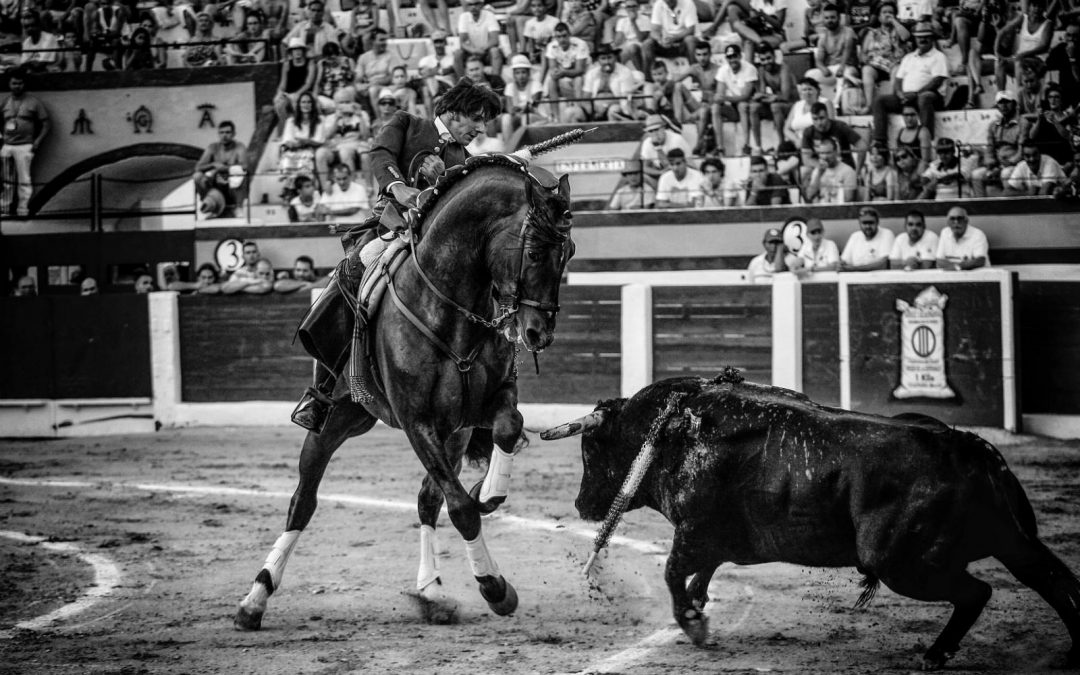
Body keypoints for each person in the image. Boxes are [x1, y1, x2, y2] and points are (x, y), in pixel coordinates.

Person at [292, 79, 503, 431]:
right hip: (388, 230)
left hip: (432, 246)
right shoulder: (407, 123)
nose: (481, 129)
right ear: (452, 111)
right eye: (476, 119)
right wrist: (400, 187)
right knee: (352, 275)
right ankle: (323, 391)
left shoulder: (465, 161)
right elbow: (379, 154)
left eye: (485, 123)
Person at [870, 21, 948, 149]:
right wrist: (900, 95)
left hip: (931, 97)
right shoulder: (908, 57)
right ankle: (880, 140)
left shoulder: (939, 56)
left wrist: (916, 94)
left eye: (926, 37)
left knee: (925, 97)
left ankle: (927, 140)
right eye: (919, 37)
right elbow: (899, 80)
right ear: (915, 39)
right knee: (880, 100)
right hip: (907, 97)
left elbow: (937, 81)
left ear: (932, 38)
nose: (922, 40)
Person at [1, 69, 51, 218]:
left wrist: (37, 142)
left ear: (24, 84)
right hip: (7, 145)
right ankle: (4, 209)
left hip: (25, 145)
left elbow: (46, 123)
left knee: (24, 179)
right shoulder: (5, 102)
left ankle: (23, 210)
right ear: (9, 84)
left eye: (20, 83)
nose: (17, 86)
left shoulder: (34, 102)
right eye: (14, 83)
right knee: (6, 180)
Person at [854, 1, 909, 115]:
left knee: (897, 71)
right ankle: (869, 105)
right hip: (876, 65)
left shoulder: (899, 29)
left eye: (891, 12)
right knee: (867, 70)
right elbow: (863, 53)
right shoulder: (871, 32)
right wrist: (865, 59)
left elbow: (906, 37)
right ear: (879, 17)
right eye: (884, 12)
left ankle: (893, 104)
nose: (887, 15)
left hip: (895, 64)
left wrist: (894, 21)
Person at [971, 89, 1023, 197]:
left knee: (1006, 173)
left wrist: (1007, 164)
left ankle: (1010, 206)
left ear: (1014, 104)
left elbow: (1021, 151)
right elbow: (990, 149)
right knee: (976, 175)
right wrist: (991, 164)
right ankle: (982, 207)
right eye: (1000, 103)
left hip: (1016, 165)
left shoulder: (1022, 123)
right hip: (998, 165)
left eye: (1007, 102)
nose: (1004, 106)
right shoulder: (994, 125)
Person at [194, 120, 248, 219]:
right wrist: (214, 165)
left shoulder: (239, 147)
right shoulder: (212, 147)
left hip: (232, 182)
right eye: (221, 132)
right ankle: (212, 204)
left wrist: (225, 169)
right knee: (197, 176)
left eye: (228, 132)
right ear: (218, 134)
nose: (224, 135)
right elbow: (198, 167)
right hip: (216, 183)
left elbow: (244, 166)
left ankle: (238, 207)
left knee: (241, 175)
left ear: (233, 134)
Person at [750, 42, 795, 154]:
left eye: (769, 58)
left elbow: (785, 96)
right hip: (778, 104)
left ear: (775, 56)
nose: (766, 62)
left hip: (792, 104)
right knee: (753, 107)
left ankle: (781, 144)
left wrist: (767, 97)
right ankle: (758, 146)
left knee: (775, 106)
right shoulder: (762, 70)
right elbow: (761, 94)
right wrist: (766, 97)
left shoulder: (784, 68)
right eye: (763, 59)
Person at [713, 44, 758, 155]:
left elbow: (746, 95)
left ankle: (746, 145)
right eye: (729, 57)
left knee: (742, 105)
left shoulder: (749, 68)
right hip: (733, 105)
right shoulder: (723, 70)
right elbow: (719, 94)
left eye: (734, 56)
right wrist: (721, 98)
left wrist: (725, 97)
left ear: (740, 56)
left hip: (747, 105)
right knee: (715, 108)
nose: (732, 60)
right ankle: (720, 147)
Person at [800, 102, 865, 170]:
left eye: (822, 118)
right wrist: (819, 165)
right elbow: (806, 159)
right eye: (815, 119)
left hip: (843, 167)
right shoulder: (809, 132)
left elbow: (862, 146)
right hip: (822, 168)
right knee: (804, 171)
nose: (819, 123)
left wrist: (858, 171)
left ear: (827, 116)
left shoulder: (840, 127)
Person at [642, 0, 698, 80]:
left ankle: (696, 79)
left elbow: (690, 30)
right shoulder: (659, 4)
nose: (668, 1)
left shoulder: (688, 3)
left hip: (682, 42)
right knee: (647, 44)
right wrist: (660, 40)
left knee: (691, 40)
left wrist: (674, 38)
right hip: (665, 42)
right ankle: (649, 81)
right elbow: (654, 30)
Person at [542, 22, 590, 113]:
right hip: (566, 73)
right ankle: (555, 116)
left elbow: (580, 70)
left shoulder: (580, 44)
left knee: (578, 79)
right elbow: (553, 68)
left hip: (584, 74)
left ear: (569, 35)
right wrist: (557, 72)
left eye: (564, 36)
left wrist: (563, 72)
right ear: (555, 37)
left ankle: (579, 111)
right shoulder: (551, 46)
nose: (562, 39)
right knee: (551, 80)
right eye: (559, 37)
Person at [582, 45, 640, 121]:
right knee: (571, 112)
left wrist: (605, 106)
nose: (607, 62)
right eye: (603, 58)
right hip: (595, 109)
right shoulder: (591, 73)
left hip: (617, 107)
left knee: (614, 110)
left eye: (609, 57)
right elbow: (586, 97)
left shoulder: (625, 72)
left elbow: (625, 99)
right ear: (598, 60)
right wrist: (592, 112)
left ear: (615, 58)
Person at [274, 37, 317, 136]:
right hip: (289, 93)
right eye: (294, 49)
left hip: (305, 93)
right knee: (280, 104)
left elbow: (308, 83)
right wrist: (279, 93)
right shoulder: (287, 64)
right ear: (291, 52)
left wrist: (297, 94)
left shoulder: (310, 63)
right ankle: (282, 135)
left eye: (299, 49)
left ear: (303, 51)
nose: (297, 52)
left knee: (298, 104)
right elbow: (283, 84)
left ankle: (301, 133)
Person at [454, 0, 504, 79]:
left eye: (476, 4)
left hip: (486, 52)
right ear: (467, 6)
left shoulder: (489, 15)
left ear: (481, 4)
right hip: (471, 52)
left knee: (495, 51)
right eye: (470, 5)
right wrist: (474, 50)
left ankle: (496, 83)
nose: (473, 7)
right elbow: (462, 42)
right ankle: (462, 84)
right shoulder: (463, 17)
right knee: (457, 53)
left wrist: (481, 49)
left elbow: (495, 40)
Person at [805, 135, 857, 203]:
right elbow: (809, 196)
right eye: (822, 153)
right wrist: (819, 174)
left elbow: (848, 199)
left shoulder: (848, 171)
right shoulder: (817, 171)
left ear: (835, 152)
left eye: (828, 153)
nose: (825, 157)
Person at [840, 206, 894, 271]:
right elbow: (844, 262)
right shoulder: (855, 236)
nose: (868, 226)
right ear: (859, 223)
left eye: (871, 223)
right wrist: (841, 265)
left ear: (877, 222)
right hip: (855, 279)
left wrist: (854, 268)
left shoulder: (887, 234)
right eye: (864, 223)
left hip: (879, 279)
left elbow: (884, 264)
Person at [782, 76, 833, 145]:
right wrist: (796, 140)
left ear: (817, 90)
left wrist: (806, 141)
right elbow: (786, 129)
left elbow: (829, 125)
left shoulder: (825, 103)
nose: (807, 92)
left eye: (810, 89)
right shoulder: (797, 105)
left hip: (817, 140)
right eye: (804, 90)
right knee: (783, 148)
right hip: (798, 142)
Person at [639, 113, 691, 179]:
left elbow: (671, 167)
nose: (655, 133)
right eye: (651, 131)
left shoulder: (676, 140)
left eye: (657, 129)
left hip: (681, 174)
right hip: (662, 176)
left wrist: (657, 147)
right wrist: (660, 172)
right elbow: (644, 167)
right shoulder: (647, 143)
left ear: (663, 128)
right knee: (642, 177)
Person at [1045, 18, 1080, 109]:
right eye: (1068, 35)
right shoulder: (1059, 49)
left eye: (1075, 36)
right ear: (1065, 36)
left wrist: (1072, 58)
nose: (1071, 39)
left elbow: (1078, 79)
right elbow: (1048, 69)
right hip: (1062, 92)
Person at [894, 101, 932, 175]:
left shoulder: (923, 132)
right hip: (903, 171)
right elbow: (896, 156)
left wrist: (914, 178)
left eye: (912, 115)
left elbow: (925, 160)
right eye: (906, 115)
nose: (909, 118)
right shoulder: (900, 132)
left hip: (920, 172)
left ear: (918, 115)